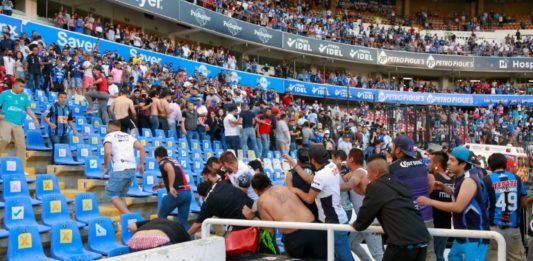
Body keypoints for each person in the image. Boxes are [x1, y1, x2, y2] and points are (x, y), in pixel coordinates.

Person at [417, 147, 490, 261]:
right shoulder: (461, 177)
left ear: (463, 164)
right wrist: (445, 188)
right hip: (464, 235)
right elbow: (462, 198)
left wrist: (430, 201)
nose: (448, 163)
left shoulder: (469, 180)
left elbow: (458, 207)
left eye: (452, 160)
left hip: (473, 237)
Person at [354, 156, 430, 261]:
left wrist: (356, 225)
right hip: (421, 239)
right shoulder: (399, 183)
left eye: (368, 172)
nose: (368, 176)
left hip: (402, 243)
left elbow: (363, 218)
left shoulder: (375, 186)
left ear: (376, 173)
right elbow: (398, 209)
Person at [289, 145, 353, 261]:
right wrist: (294, 165)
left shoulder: (321, 176)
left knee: (344, 257)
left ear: (312, 160)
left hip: (334, 222)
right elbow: (310, 179)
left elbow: (309, 198)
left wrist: (296, 190)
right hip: (336, 218)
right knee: (336, 256)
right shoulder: (331, 166)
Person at [247, 173, 327, 259]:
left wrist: (253, 217)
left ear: (255, 190)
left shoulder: (262, 201)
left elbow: (271, 229)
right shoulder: (285, 188)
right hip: (314, 228)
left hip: (295, 236)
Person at [389, 135, 435, 261]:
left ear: (398, 149)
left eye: (393, 146)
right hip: (426, 214)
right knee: (429, 253)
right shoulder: (421, 165)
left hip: (407, 218)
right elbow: (430, 183)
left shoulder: (393, 168)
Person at [484, 153, 527, 261]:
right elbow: (524, 203)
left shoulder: (486, 180)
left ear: (489, 166)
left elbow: (483, 203)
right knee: (517, 258)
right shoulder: (517, 179)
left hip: (494, 228)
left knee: (493, 257)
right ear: (505, 164)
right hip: (513, 229)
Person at [344, 148, 384, 261]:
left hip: (371, 220)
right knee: (351, 243)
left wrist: (329, 187)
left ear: (351, 159)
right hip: (364, 219)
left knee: (378, 254)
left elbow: (348, 186)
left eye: (347, 158)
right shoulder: (356, 173)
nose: (345, 161)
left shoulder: (360, 173)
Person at [187, 171, 254, 236]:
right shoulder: (221, 183)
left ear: (201, 196)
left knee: (228, 242)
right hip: (254, 207)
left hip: (244, 220)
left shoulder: (208, 201)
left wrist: (185, 236)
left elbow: (197, 225)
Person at [103, 120, 145, 214]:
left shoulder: (109, 136)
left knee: (112, 194)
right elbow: (142, 147)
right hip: (132, 169)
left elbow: (107, 152)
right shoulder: (129, 136)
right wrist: (141, 164)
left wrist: (105, 167)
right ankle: (126, 222)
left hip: (120, 169)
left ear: (110, 127)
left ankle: (129, 217)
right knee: (121, 196)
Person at [0, 78, 39, 160]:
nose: (22, 88)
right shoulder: (4, 94)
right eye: (21, 86)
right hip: (6, 120)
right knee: (5, 139)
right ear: (14, 85)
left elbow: (28, 109)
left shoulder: (24, 96)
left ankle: (20, 167)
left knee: (22, 145)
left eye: (23, 86)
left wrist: (35, 119)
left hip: (18, 124)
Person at [154, 146, 192, 230]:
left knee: (161, 217)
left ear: (157, 157)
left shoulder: (163, 162)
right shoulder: (174, 161)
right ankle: (191, 240)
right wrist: (161, 185)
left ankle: (165, 240)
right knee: (183, 221)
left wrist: (170, 187)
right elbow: (177, 177)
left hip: (177, 193)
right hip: (187, 192)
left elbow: (170, 169)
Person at [428, 151, 453, 261]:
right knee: (440, 254)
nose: (428, 164)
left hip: (433, 222)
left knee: (433, 255)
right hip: (446, 223)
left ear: (437, 164)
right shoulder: (452, 181)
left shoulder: (432, 177)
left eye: (430, 162)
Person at [284, 148, 318, 218]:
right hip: (316, 207)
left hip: (300, 209)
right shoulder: (317, 171)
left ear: (298, 160)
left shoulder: (290, 174)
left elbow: (291, 194)